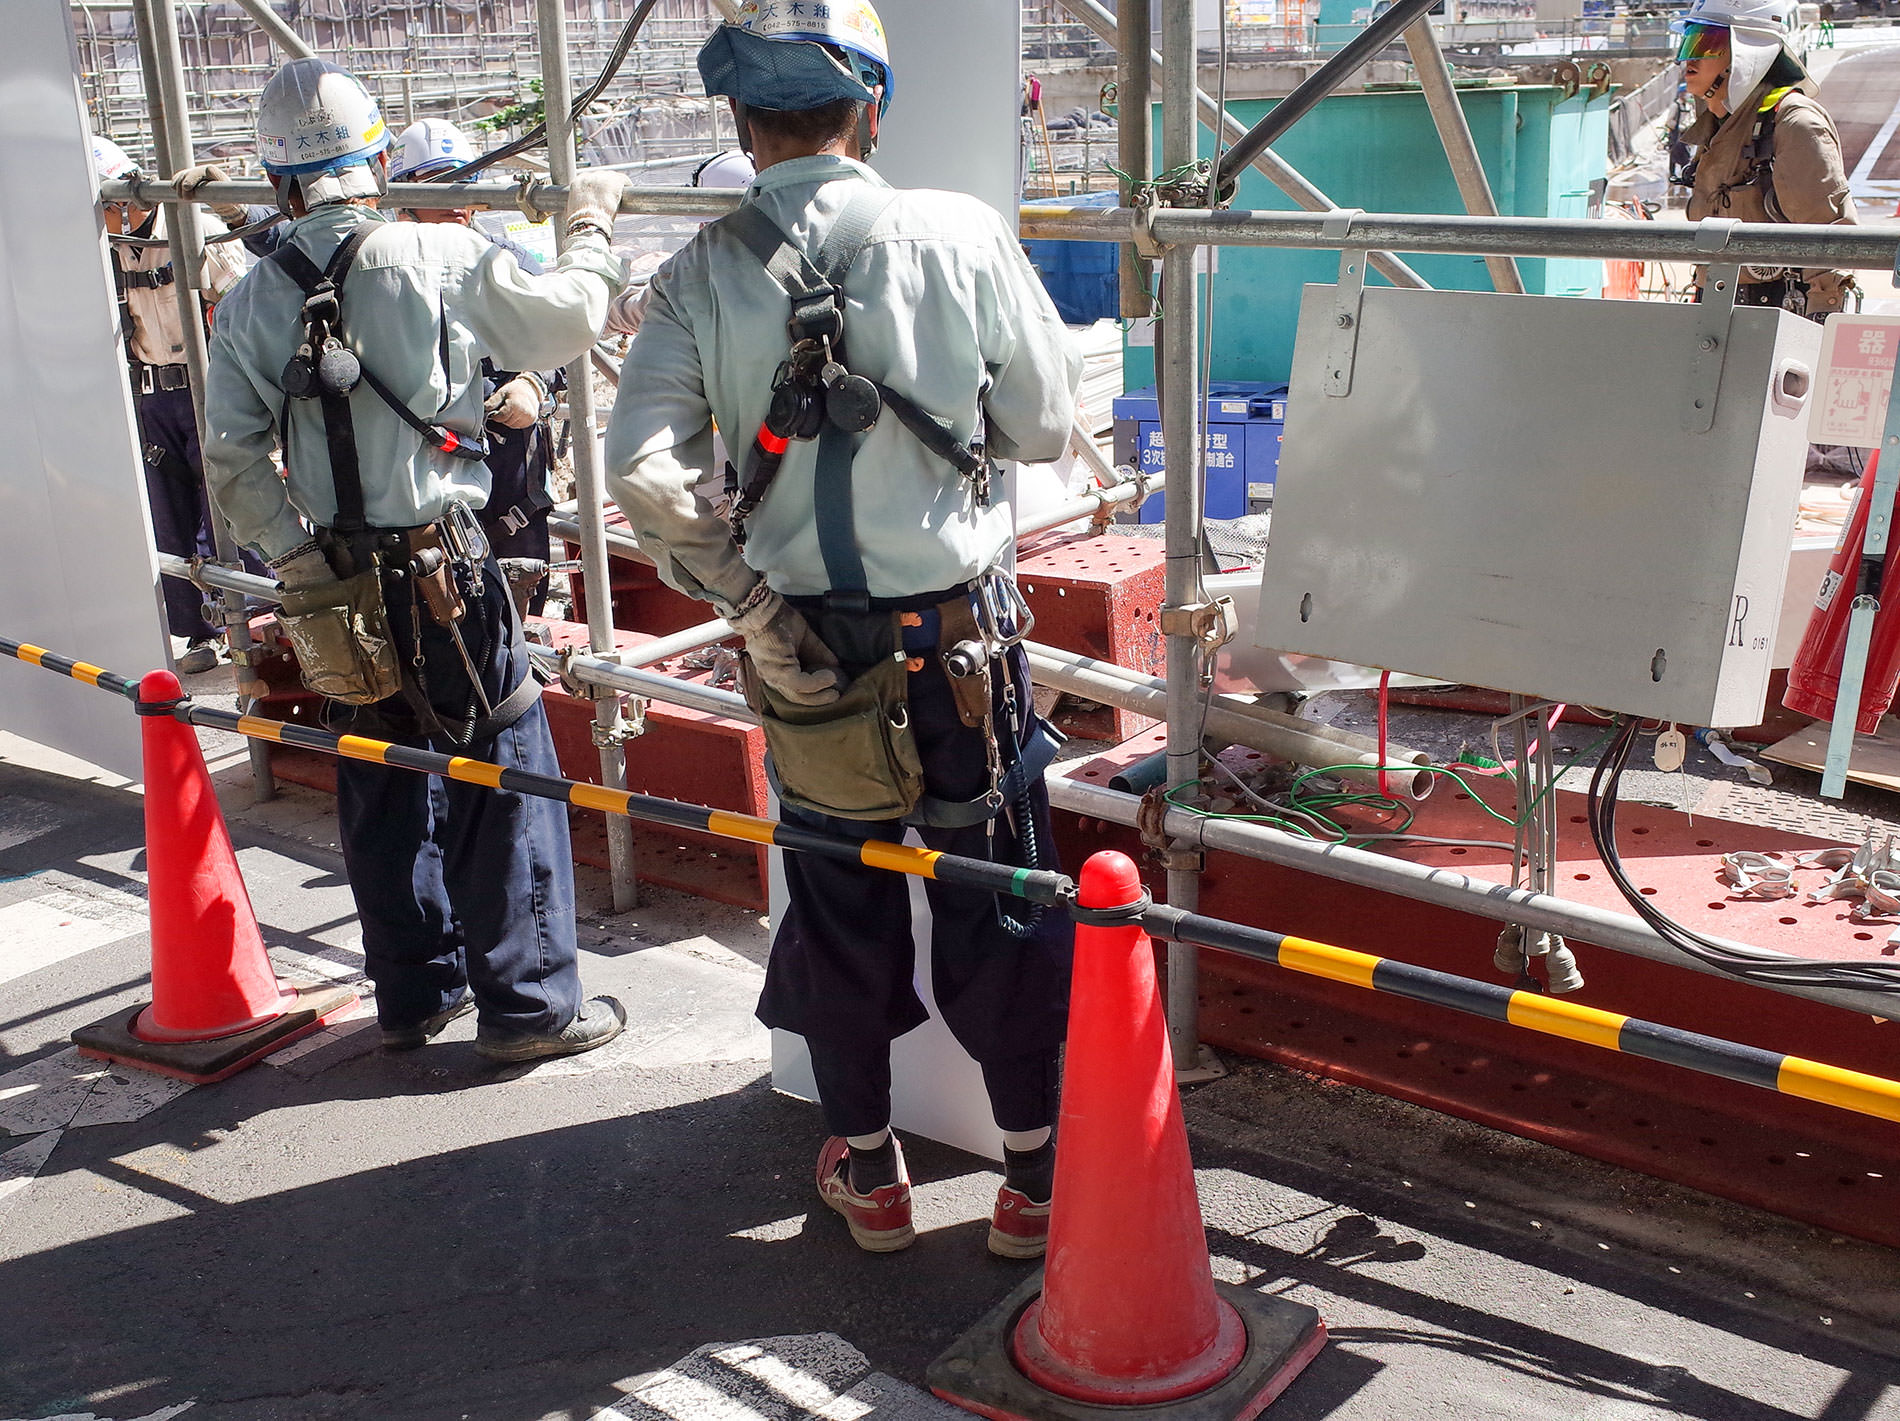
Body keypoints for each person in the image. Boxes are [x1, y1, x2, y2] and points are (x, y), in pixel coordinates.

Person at [604, 0, 1083, 1258]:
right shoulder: (958, 234)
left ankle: (869, 1168)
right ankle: (1031, 1175)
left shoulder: (700, 269)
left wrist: (749, 600)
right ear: (872, 107)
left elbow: (644, 474)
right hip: (961, 645)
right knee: (1001, 887)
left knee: (836, 894)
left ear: (740, 123)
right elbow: (1039, 424)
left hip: (801, 650)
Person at [200, 57, 630, 1062]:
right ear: (379, 158)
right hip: (446, 564)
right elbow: (570, 316)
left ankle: (415, 991)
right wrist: (594, 224)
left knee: (381, 767)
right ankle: (526, 1005)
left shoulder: (254, 299)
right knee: (503, 754)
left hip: (336, 581)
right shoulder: (435, 257)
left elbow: (231, 458)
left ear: (278, 181)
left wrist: (301, 565)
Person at [389, 118, 566, 615]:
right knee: (436, 604)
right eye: (437, 185)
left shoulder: (505, 259)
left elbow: (556, 334)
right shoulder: (381, 268)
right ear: (402, 196)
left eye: (464, 182)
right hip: (421, 451)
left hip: (505, 455)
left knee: (514, 596)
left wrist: (534, 381)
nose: (454, 199)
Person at [94, 136, 258, 675]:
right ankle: (199, 631)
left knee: (226, 503)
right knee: (166, 514)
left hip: (206, 386)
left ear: (123, 200)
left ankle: (256, 611)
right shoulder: (103, 248)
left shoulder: (193, 231)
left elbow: (244, 306)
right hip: (147, 393)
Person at [1672, 0, 1858, 317]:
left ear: (1746, 54)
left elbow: (1829, 238)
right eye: (1689, 41)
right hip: (1715, 306)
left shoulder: (1794, 124)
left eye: (1706, 44)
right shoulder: (1718, 126)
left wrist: (1823, 322)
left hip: (1778, 311)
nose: (1689, 59)